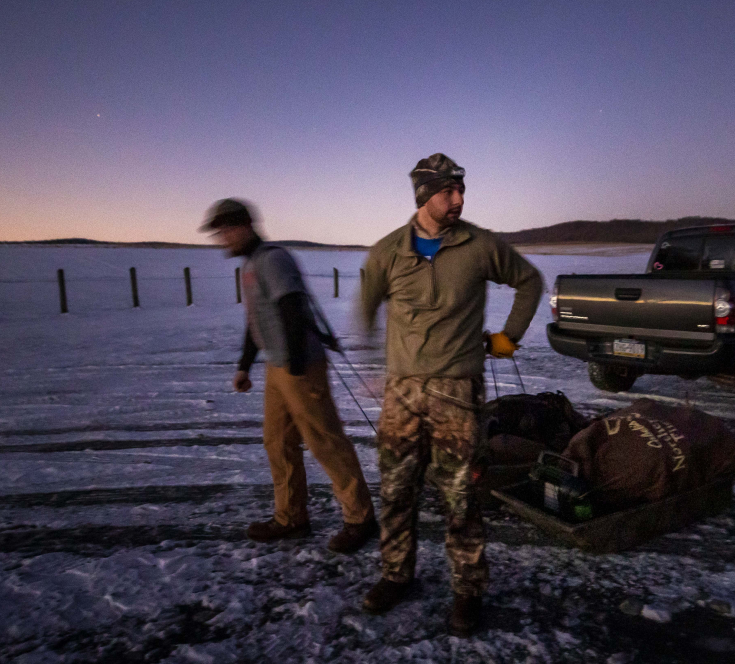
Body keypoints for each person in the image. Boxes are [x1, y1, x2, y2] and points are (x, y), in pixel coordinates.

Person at [357, 154, 543, 636]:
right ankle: (396, 575)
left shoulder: (479, 246)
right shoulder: (387, 252)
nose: (458, 199)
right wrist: (377, 366)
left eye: (461, 190)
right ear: (424, 196)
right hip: (402, 395)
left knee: (461, 498)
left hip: (458, 393)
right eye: (448, 192)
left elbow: (529, 282)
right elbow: (365, 307)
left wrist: (509, 337)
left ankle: (467, 592)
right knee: (397, 491)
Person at [200, 198, 377, 553]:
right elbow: (256, 322)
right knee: (278, 443)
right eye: (218, 233)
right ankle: (291, 517)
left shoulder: (272, 259)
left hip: (300, 365)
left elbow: (292, 308)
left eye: (225, 231)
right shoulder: (250, 266)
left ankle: (361, 518)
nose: (222, 239)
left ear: (244, 226)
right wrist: (245, 365)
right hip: (277, 366)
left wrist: (297, 366)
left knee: (324, 440)